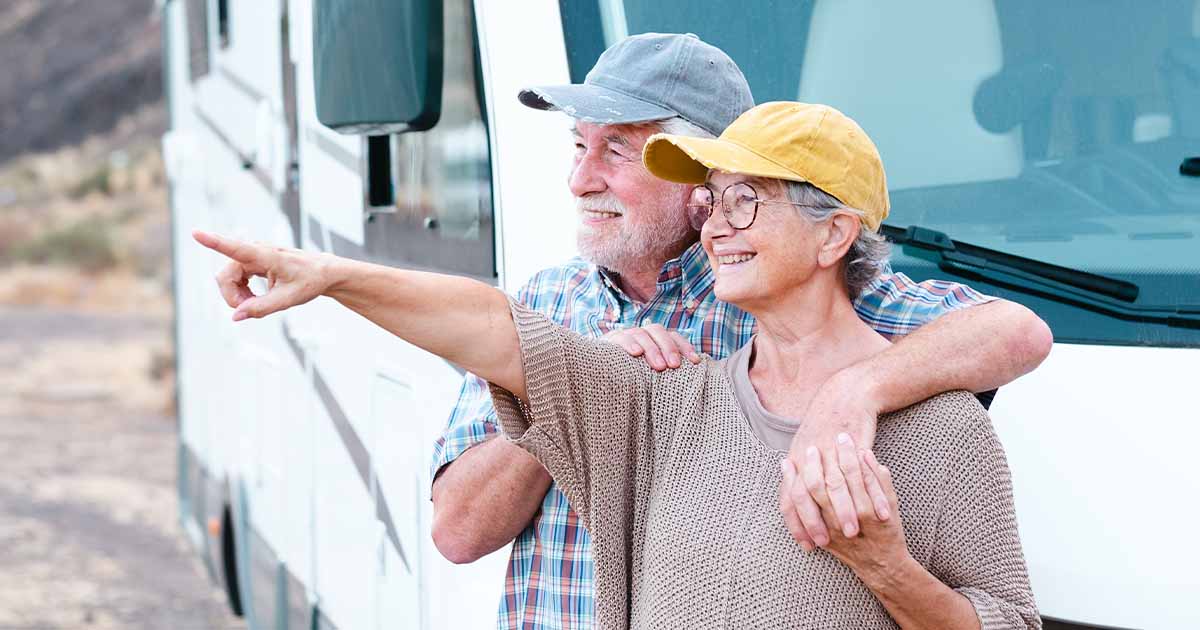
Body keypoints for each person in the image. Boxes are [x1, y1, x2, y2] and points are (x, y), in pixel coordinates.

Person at [191, 101, 1041, 629]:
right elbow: (493, 326)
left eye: (749, 198)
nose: (714, 226)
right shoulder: (662, 408)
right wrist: (331, 275)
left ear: (834, 233)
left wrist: (884, 566)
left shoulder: (943, 431)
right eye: (711, 201)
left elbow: (1003, 622)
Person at [426, 33, 1051, 629]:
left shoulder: (792, 287)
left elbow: (1018, 334)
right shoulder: (546, 301)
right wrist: (578, 388)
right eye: (578, 146)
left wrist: (853, 391)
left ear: (701, 178)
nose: (580, 179)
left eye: (616, 150)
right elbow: (458, 532)